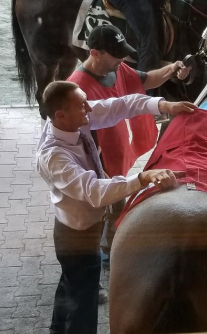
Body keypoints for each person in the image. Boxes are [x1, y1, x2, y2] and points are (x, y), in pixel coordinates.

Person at [37, 80, 196, 334]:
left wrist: (164, 105)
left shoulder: (75, 119)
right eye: (82, 105)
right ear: (60, 115)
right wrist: (143, 179)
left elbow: (121, 105)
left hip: (79, 227)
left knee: (70, 282)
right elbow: (95, 192)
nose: (90, 108)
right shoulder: (53, 156)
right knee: (83, 302)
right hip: (76, 235)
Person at [67, 24, 191, 267]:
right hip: (98, 164)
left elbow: (145, 80)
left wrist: (173, 68)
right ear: (95, 53)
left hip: (116, 155)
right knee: (109, 207)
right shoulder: (78, 87)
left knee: (116, 204)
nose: (122, 59)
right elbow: (79, 139)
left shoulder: (115, 67)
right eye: (116, 54)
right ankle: (104, 255)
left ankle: (108, 249)